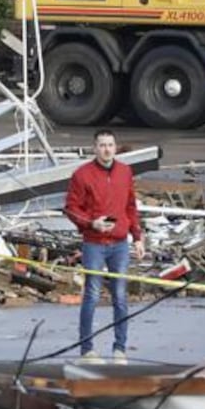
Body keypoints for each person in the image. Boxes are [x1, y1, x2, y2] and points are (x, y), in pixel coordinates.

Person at [63, 129, 145, 363]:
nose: (107, 149)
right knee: (92, 295)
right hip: (94, 244)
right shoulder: (82, 175)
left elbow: (131, 206)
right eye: (102, 145)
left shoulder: (125, 172)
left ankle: (120, 349)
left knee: (120, 296)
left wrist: (137, 237)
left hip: (119, 244)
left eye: (110, 145)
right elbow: (71, 208)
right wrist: (92, 223)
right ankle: (86, 349)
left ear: (115, 147)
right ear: (94, 148)